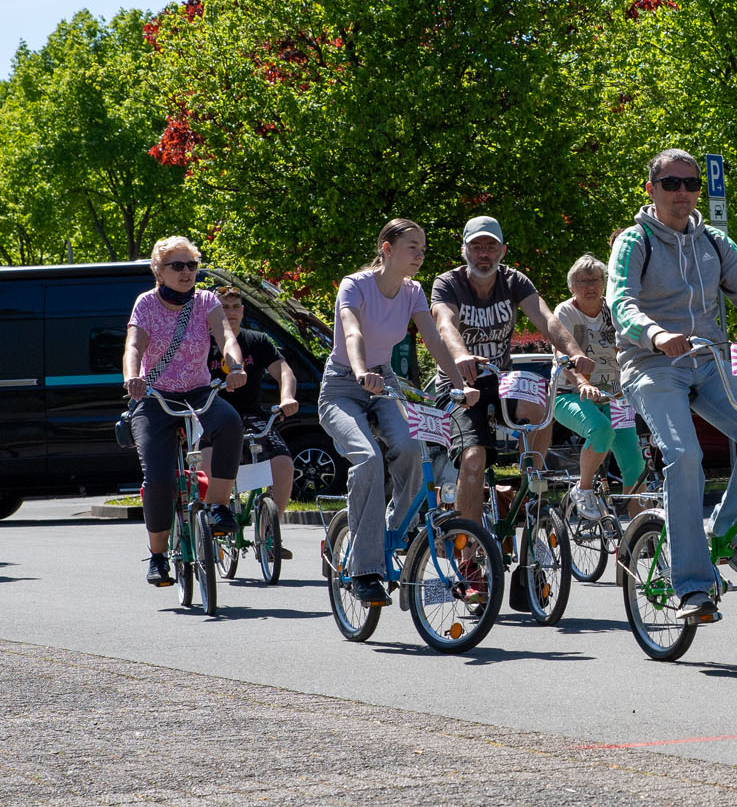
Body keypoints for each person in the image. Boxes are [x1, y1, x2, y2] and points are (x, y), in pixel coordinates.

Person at [608, 147, 737, 622]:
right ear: (651, 189)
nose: (682, 192)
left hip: (710, 362)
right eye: (670, 184)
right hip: (651, 364)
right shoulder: (634, 240)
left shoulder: (715, 242)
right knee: (685, 457)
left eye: (690, 183)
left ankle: (724, 530)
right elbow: (620, 301)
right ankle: (693, 587)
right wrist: (656, 334)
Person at [318, 219, 479, 607]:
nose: (420, 254)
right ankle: (364, 570)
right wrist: (360, 371)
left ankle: (389, 531)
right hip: (343, 383)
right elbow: (352, 331)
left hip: (384, 381)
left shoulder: (413, 291)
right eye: (412, 246)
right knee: (368, 458)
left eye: (423, 247)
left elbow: (434, 338)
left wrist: (460, 383)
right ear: (386, 249)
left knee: (411, 449)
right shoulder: (354, 284)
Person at [430, 215, 594, 528]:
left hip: (501, 380)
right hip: (460, 384)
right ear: (464, 250)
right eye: (476, 246)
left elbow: (547, 320)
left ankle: (530, 489)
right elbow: (444, 323)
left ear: (502, 250)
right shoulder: (448, 283)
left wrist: (575, 353)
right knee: (474, 460)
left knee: (540, 404)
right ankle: (470, 551)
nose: (483, 253)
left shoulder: (514, 281)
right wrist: (461, 355)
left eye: (490, 246)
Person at [122, 236, 247, 587]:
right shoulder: (146, 304)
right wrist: (133, 377)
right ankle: (159, 557)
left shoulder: (206, 300)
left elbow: (226, 336)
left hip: (197, 391)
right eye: (177, 266)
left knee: (229, 423)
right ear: (158, 271)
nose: (187, 272)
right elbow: (133, 346)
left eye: (192, 265)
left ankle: (218, 506)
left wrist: (234, 366)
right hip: (155, 396)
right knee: (160, 479)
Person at [552, 254, 647, 520]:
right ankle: (582, 489)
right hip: (570, 395)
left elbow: (632, 346)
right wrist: (583, 383)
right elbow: (562, 357)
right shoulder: (565, 312)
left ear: (604, 284)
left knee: (635, 464)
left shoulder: (613, 310)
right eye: (582, 281)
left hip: (615, 398)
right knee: (601, 430)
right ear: (572, 286)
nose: (589, 286)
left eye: (595, 280)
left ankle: (639, 528)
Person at [207, 285, 299, 556]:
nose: (231, 313)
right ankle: (213, 525)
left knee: (283, 464)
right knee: (207, 467)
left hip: (251, 416)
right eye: (224, 307)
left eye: (235, 307)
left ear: (243, 311)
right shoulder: (201, 343)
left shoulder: (256, 341)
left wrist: (287, 397)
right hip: (212, 417)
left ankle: (269, 536)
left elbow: (284, 371)